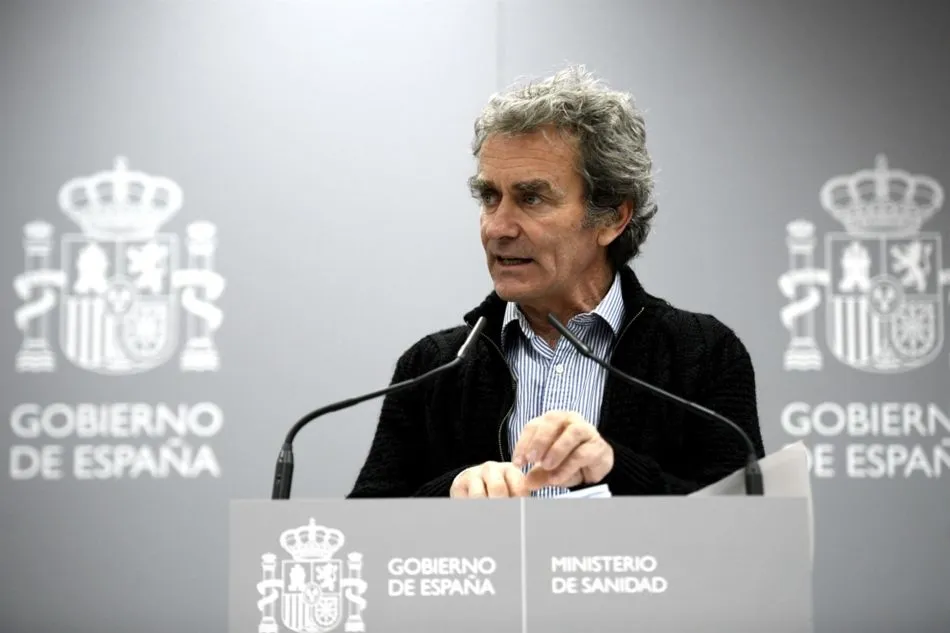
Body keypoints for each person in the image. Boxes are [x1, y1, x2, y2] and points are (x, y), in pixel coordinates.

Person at [347, 65, 765, 499]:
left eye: (531, 198)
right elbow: (365, 524)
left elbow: (744, 520)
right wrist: (449, 492)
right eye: (490, 197)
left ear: (612, 217)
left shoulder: (702, 354)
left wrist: (613, 467)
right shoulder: (434, 366)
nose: (498, 228)